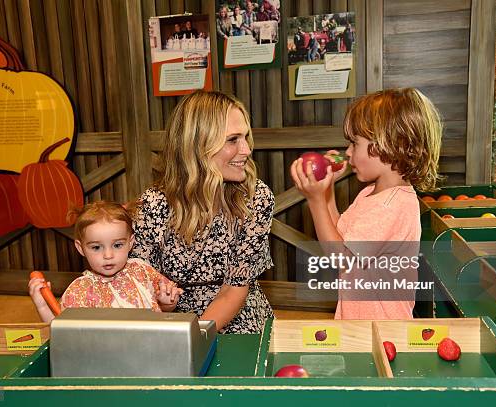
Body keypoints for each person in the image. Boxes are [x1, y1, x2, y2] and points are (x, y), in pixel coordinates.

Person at [290, 88, 442, 320]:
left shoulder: (389, 206)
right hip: (360, 324)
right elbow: (341, 237)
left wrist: (316, 200)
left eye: (354, 143)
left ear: (388, 145)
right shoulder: (373, 194)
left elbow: (340, 258)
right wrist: (327, 190)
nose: (348, 153)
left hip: (380, 330)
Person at [130, 90, 275, 334]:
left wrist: (194, 340)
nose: (246, 150)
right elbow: (141, 287)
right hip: (171, 319)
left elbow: (234, 290)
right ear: (197, 146)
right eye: (232, 140)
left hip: (236, 314)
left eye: (245, 138)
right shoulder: (153, 206)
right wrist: (164, 306)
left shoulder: (255, 198)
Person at [28, 201, 182, 324]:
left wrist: (167, 304)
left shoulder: (142, 271)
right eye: (96, 247)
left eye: (117, 245)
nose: (108, 255)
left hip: (152, 347)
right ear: (80, 248)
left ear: (130, 242)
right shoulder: (79, 290)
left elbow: (164, 312)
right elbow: (63, 331)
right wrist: (42, 306)